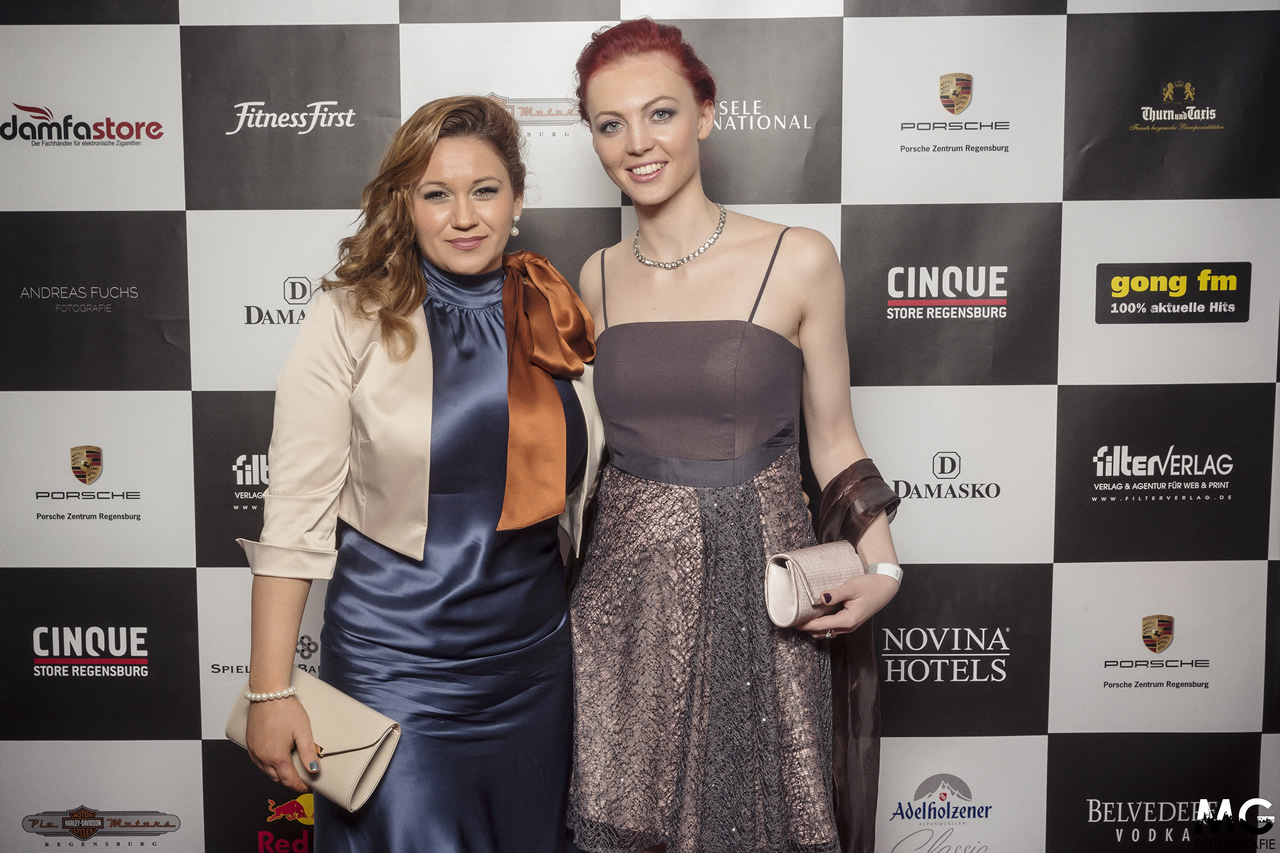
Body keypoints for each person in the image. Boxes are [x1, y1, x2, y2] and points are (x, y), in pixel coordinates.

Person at [566, 19, 902, 853]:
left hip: (757, 598)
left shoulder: (799, 257)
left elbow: (834, 440)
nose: (637, 143)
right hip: (625, 608)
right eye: (610, 124)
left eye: (661, 113)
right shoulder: (594, 277)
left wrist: (885, 567)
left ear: (706, 115)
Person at [237, 95, 601, 852]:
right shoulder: (349, 316)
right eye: (437, 194)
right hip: (394, 673)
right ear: (406, 205)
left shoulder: (554, 309)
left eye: (485, 190)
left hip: (535, 669)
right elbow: (295, 513)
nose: (464, 216)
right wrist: (270, 689)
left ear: (518, 200)